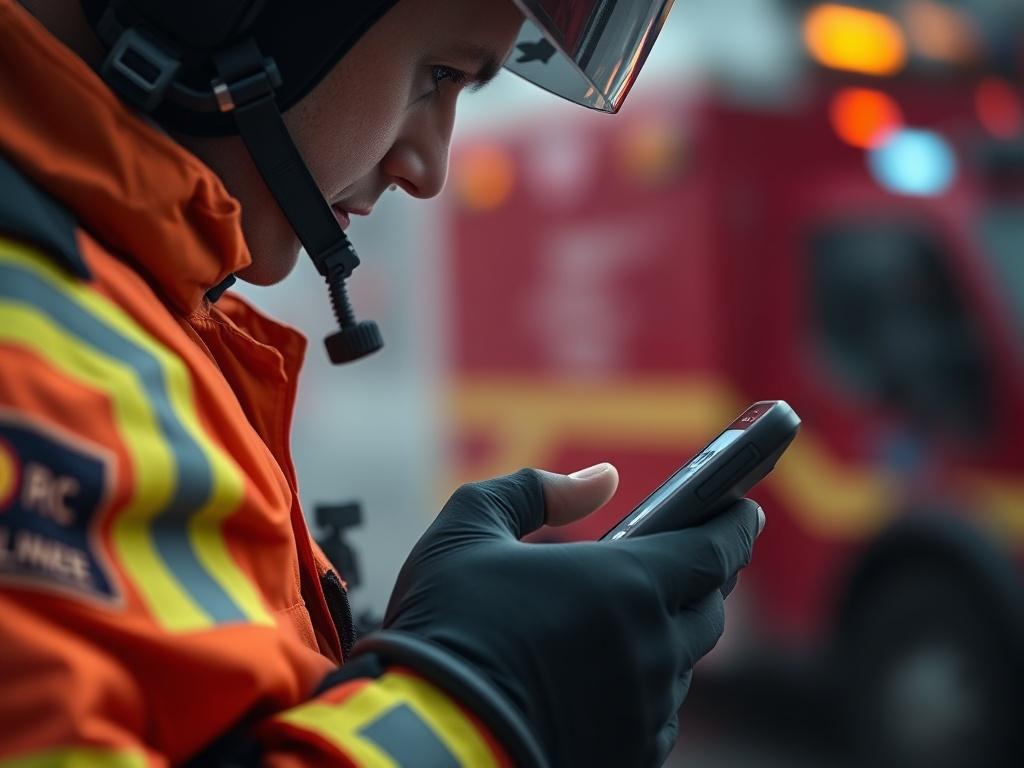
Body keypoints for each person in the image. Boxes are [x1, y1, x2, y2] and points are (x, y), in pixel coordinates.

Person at [0, 0, 764, 765]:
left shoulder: (124, 306)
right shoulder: (30, 353)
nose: (429, 169)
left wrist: (413, 652)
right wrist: (477, 704)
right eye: (439, 73)